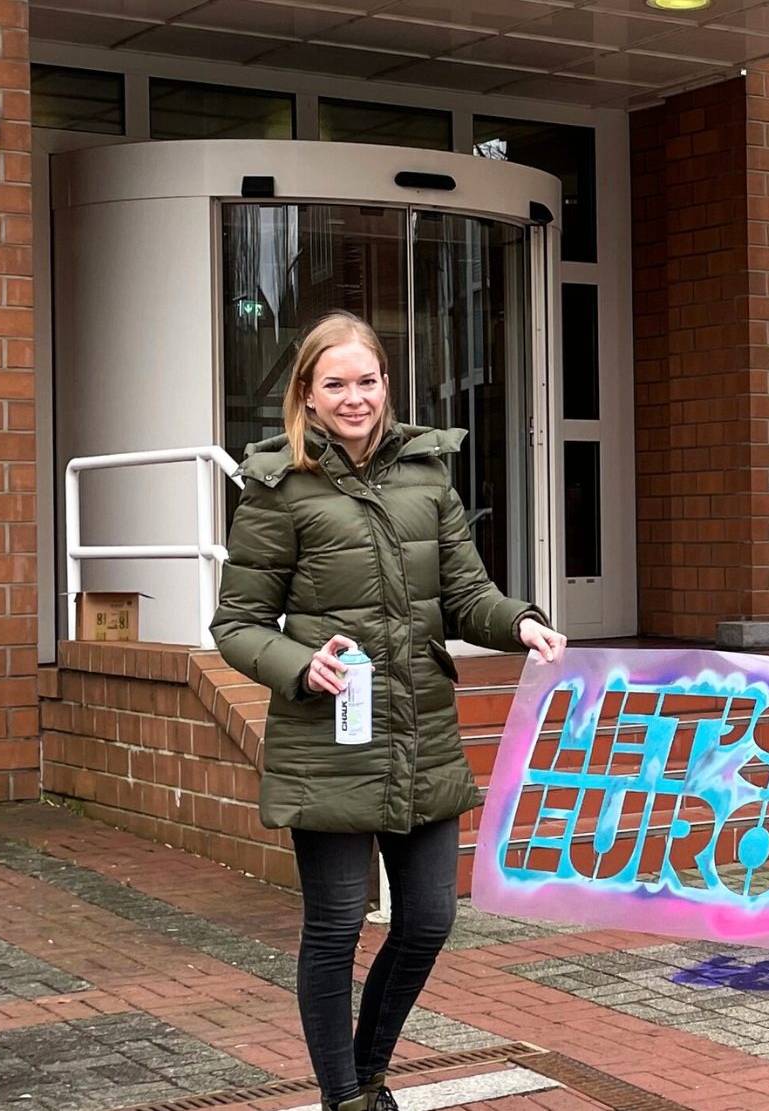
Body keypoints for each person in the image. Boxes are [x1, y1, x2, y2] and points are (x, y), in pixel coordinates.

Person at [212, 311, 568, 1111]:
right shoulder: (279, 488)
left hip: (421, 728)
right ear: (306, 393)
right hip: (328, 740)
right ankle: (348, 1097)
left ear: (385, 384)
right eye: (334, 383)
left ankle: (369, 1072)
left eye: (366, 380)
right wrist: (302, 667)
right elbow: (235, 625)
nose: (354, 397)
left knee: (430, 919)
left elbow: (465, 593)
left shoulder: (425, 474)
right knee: (336, 930)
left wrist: (519, 621)